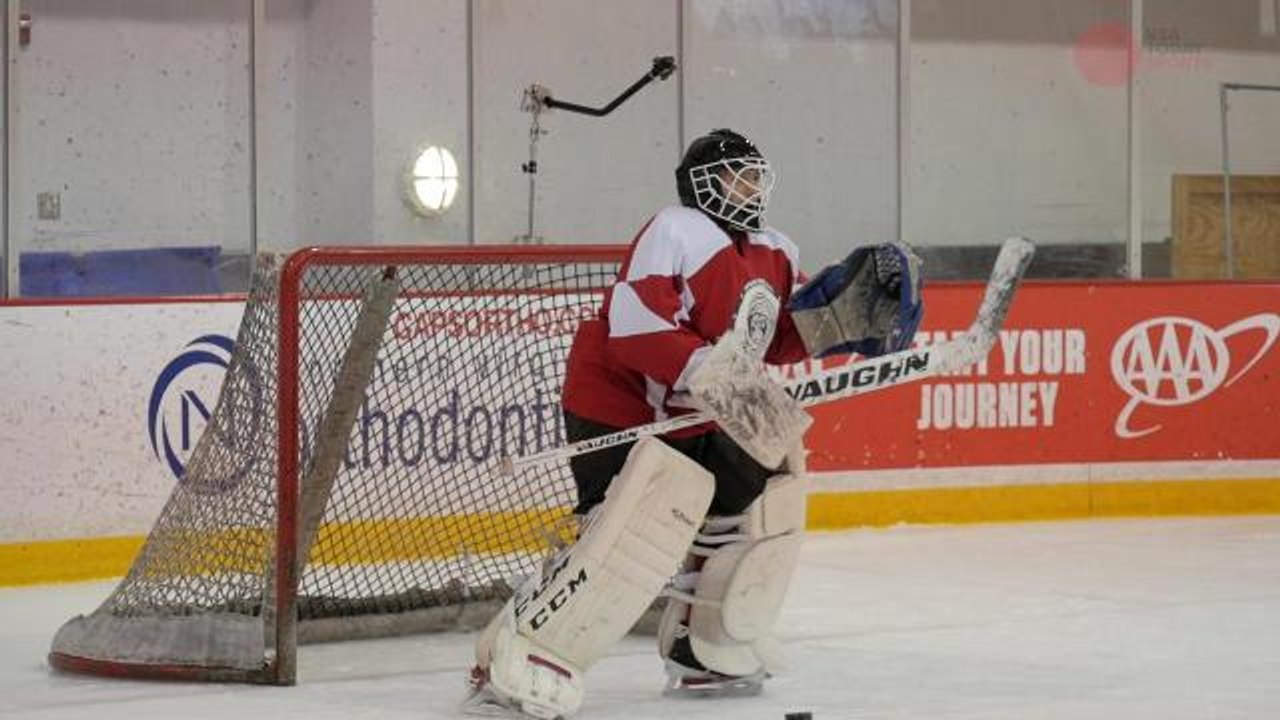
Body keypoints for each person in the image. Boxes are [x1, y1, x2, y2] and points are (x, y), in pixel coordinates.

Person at [463, 129, 922, 719]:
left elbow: (771, 339)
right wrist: (712, 370)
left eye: (756, 176)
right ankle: (522, 654)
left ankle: (704, 644)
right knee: (622, 530)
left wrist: (836, 324)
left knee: (764, 492)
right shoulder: (674, 229)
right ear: (703, 182)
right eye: (738, 175)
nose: (750, 187)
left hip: (708, 404)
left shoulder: (774, 249)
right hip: (623, 401)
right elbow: (633, 325)